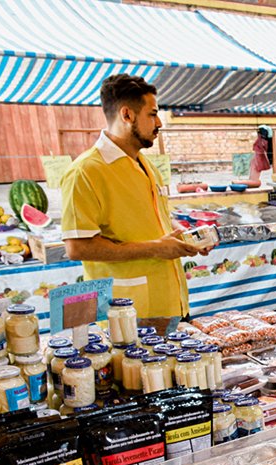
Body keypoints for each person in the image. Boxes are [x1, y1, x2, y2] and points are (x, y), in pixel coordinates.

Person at [61, 74, 210, 336]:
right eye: (152, 114)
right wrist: (154, 249)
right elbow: (77, 246)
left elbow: (157, 218)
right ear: (127, 115)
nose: (159, 122)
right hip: (127, 308)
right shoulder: (86, 171)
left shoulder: (145, 164)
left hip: (168, 299)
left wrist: (187, 238)